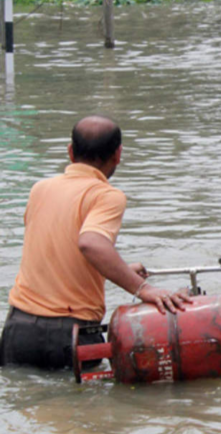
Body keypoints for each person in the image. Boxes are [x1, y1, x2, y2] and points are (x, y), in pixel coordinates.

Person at [0, 116, 191, 370]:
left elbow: (56, 252)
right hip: (69, 336)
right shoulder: (107, 195)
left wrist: (119, 270)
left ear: (70, 151)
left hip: (17, 331)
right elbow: (90, 243)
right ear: (118, 155)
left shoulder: (40, 189)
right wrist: (143, 289)